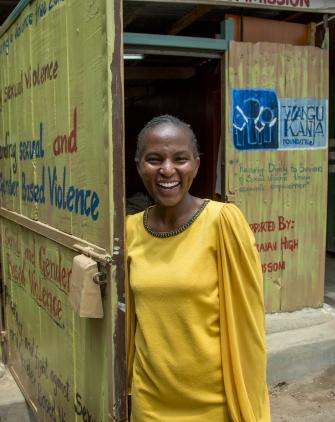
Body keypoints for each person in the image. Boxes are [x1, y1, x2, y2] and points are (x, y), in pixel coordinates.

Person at [126, 115, 270, 422]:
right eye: (154, 159)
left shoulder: (223, 222)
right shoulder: (130, 231)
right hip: (151, 401)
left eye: (180, 159)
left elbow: (249, 323)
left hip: (215, 402)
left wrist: (249, 401)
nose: (167, 170)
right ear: (139, 166)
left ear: (197, 165)